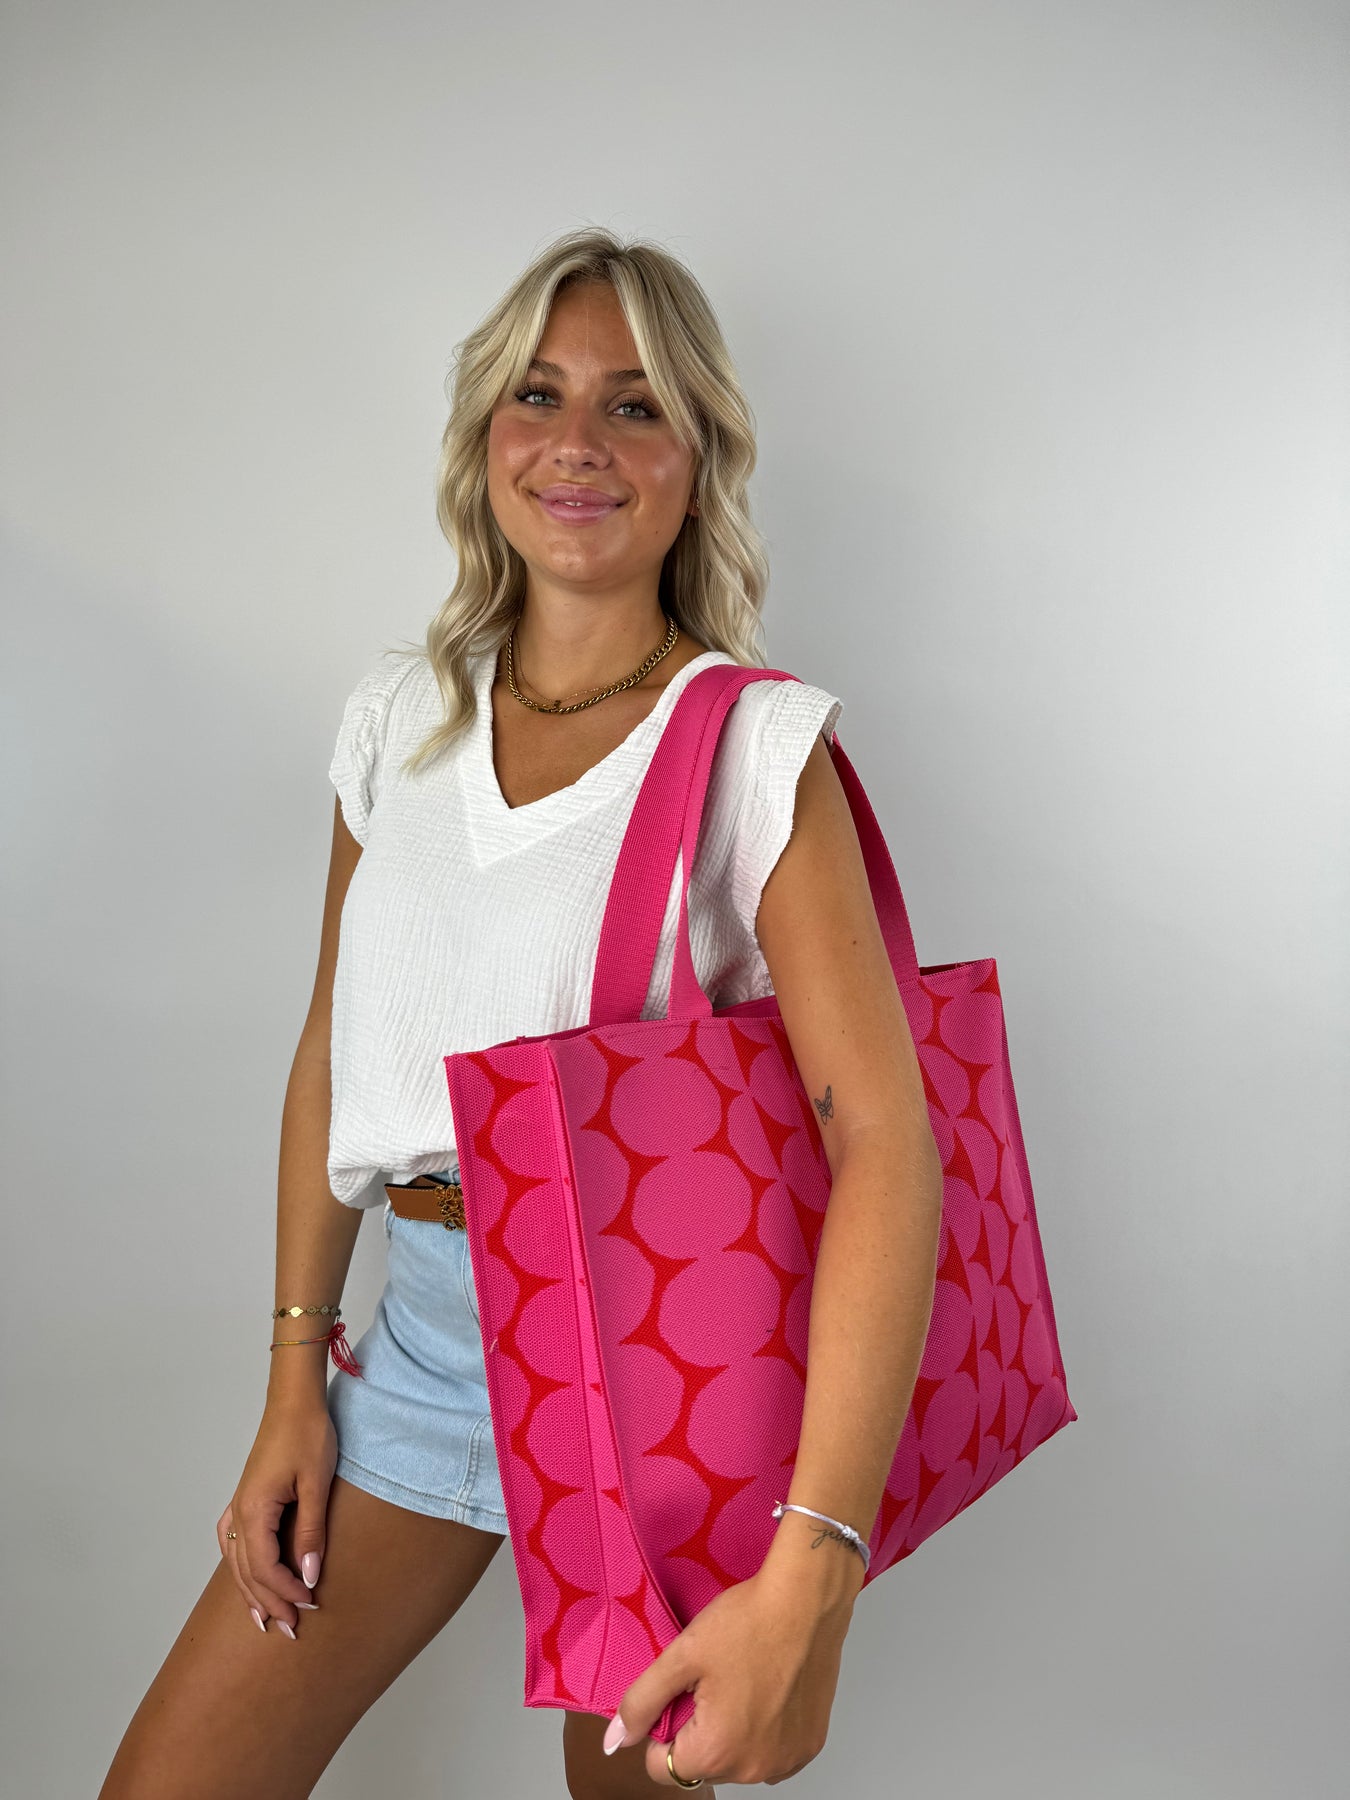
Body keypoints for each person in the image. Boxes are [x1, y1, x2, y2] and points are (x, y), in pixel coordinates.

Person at [99, 228, 943, 1798]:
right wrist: (295, 1384)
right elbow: (334, 1050)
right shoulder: (399, 720)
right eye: (537, 395)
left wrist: (812, 1564)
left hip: (665, 1369)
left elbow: (885, 1139)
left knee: (623, 1794)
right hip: (425, 1341)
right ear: (483, 434)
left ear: (699, 456)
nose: (576, 442)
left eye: (635, 405)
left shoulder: (753, 748)